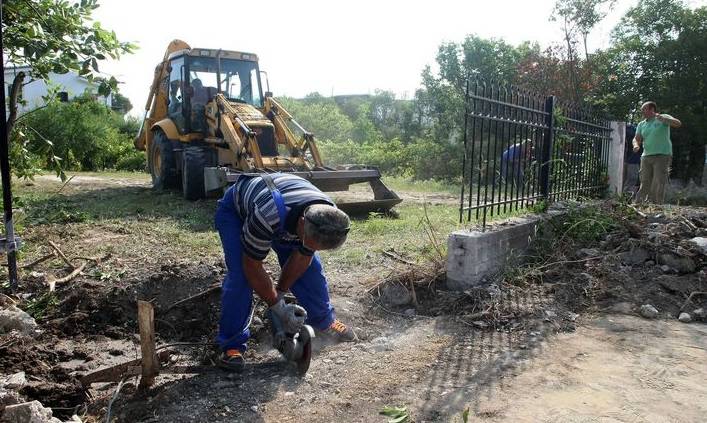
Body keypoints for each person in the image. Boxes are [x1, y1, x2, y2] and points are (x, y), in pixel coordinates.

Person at [215, 173, 356, 372]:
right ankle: (231, 346)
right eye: (307, 242)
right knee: (240, 277)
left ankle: (324, 322)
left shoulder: (329, 217)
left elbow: (303, 256)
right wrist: (278, 307)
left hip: (285, 214)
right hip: (238, 212)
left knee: (312, 270)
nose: (308, 246)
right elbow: (252, 267)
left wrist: (279, 293)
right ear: (301, 223)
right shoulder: (268, 214)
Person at [633, 101, 681, 203]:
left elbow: (678, 123)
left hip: (662, 155)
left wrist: (665, 119)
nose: (642, 111)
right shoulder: (641, 124)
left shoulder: (662, 117)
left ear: (652, 110)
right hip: (646, 156)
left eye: (644, 109)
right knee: (644, 181)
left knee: (658, 181)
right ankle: (638, 204)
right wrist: (636, 145)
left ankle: (655, 206)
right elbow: (636, 138)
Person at [623, 124, 641, 198]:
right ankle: (626, 198)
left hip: (627, 159)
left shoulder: (629, 130)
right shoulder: (635, 130)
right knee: (631, 180)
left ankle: (625, 197)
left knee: (627, 180)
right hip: (633, 160)